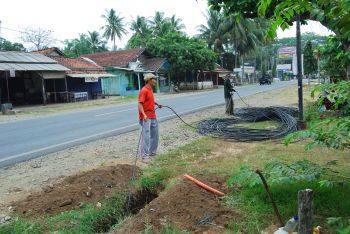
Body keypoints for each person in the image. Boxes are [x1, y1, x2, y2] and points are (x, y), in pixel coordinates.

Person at [138, 73, 162, 163]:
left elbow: (150, 100)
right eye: (154, 79)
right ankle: (144, 156)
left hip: (153, 115)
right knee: (146, 136)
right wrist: (143, 115)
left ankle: (152, 151)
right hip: (146, 117)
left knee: (155, 134)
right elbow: (140, 103)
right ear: (149, 80)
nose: (155, 81)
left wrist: (157, 104)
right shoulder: (144, 90)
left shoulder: (150, 89)